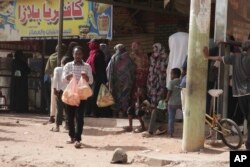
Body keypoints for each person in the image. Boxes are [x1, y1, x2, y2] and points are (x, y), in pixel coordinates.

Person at [203, 40, 250, 150]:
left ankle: (248, 143)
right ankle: (248, 143)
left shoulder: (235, 57)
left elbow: (220, 58)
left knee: (248, 118)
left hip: (239, 94)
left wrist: (207, 56)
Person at [62, 46, 93, 148]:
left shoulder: (87, 66)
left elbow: (91, 81)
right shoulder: (68, 65)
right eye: (76, 54)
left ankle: (78, 139)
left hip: (82, 95)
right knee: (70, 117)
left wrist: (86, 77)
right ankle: (71, 136)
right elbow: (63, 79)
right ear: (73, 55)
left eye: (80, 54)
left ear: (82, 55)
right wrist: (68, 77)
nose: (78, 56)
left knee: (80, 117)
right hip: (70, 94)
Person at [106, 44, 135, 117]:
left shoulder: (114, 57)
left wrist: (109, 81)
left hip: (116, 83)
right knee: (125, 97)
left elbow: (108, 70)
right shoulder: (128, 58)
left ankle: (115, 114)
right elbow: (132, 69)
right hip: (126, 83)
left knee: (115, 97)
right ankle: (125, 114)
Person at [86, 39, 110, 117]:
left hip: (98, 78)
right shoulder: (91, 53)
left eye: (91, 44)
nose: (89, 45)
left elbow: (101, 68)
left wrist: (104, 80)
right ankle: (92, 111)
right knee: (91, 95)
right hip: (91, 78)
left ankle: (96, 113)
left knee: (95, 95)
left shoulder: (99, 54)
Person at [45, 43, 67, 123]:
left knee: (53, 97)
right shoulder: (66, 57)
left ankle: (52, 116)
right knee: (64, 96)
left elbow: (47, 70)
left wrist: (52, 75)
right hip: (64, 79)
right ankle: (64, 115)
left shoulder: (51, 57)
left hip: (54, 79)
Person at [50, 56, 71, 132]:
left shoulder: (57, 69)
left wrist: (54, 89)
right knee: (68, 109)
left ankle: (57, 126)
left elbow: (55, 80)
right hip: (69, 91)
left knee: (59, 109)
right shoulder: (70, 70)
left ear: (61, 62)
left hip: (60, 91)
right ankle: (67, 125)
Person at [130, 41, 149, 117]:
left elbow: (148, 65)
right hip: (135, 78)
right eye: (132, 46)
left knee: (143, 94)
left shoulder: (144, 55)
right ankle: (134, 111)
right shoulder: (131, 55)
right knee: (135, 94)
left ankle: (144, 111)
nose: (133, 48)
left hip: (144, 77)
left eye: (135, 46)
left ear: (139, 46)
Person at [147, 43, 168, 107]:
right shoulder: (153, 56)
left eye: (155, 48)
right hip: (154, 77)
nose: (153, 49)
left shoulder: (164, 56)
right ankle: (155, 110)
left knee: (160, 93)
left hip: (160, 76)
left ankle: (160, 109)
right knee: (155, 92)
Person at [166, 68, 182, 138]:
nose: (170, 75)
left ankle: (170, 133)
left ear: (175, 75)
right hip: (180, 102)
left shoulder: (171, 82)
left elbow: (169, 92)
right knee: (186, 117)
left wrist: (166, 99)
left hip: (172, 103)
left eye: (171, 74)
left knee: (171, 118)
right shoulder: (182, 81)